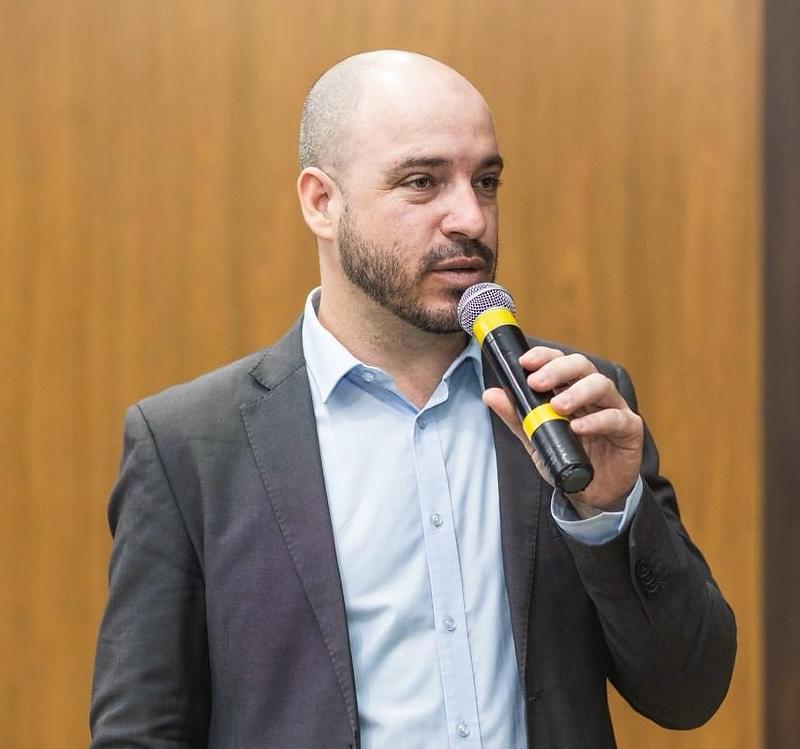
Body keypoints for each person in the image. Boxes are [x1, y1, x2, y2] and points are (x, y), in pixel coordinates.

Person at [89, 50, 736, 749]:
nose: (471, 218)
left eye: (486, 181)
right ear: (321, 202)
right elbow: (141, 732)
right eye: (422, 182)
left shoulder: (569, 407)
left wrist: (607, 513)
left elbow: (689, 691)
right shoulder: (190, 445)